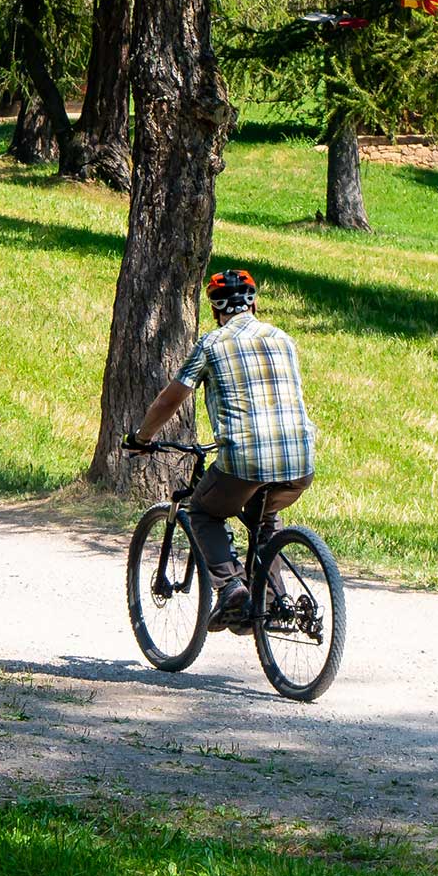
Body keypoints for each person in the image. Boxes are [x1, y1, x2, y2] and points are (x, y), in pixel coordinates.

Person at [128, 268, 316, 629]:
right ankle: (273, 604)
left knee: (202, 511)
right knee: (265, 520)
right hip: (300, 460)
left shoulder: (211, 345)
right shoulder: (283, 340)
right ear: (254, 303)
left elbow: (171, 400)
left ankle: (231, 589)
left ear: (215, 311)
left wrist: (142, 437)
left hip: (245, 458)